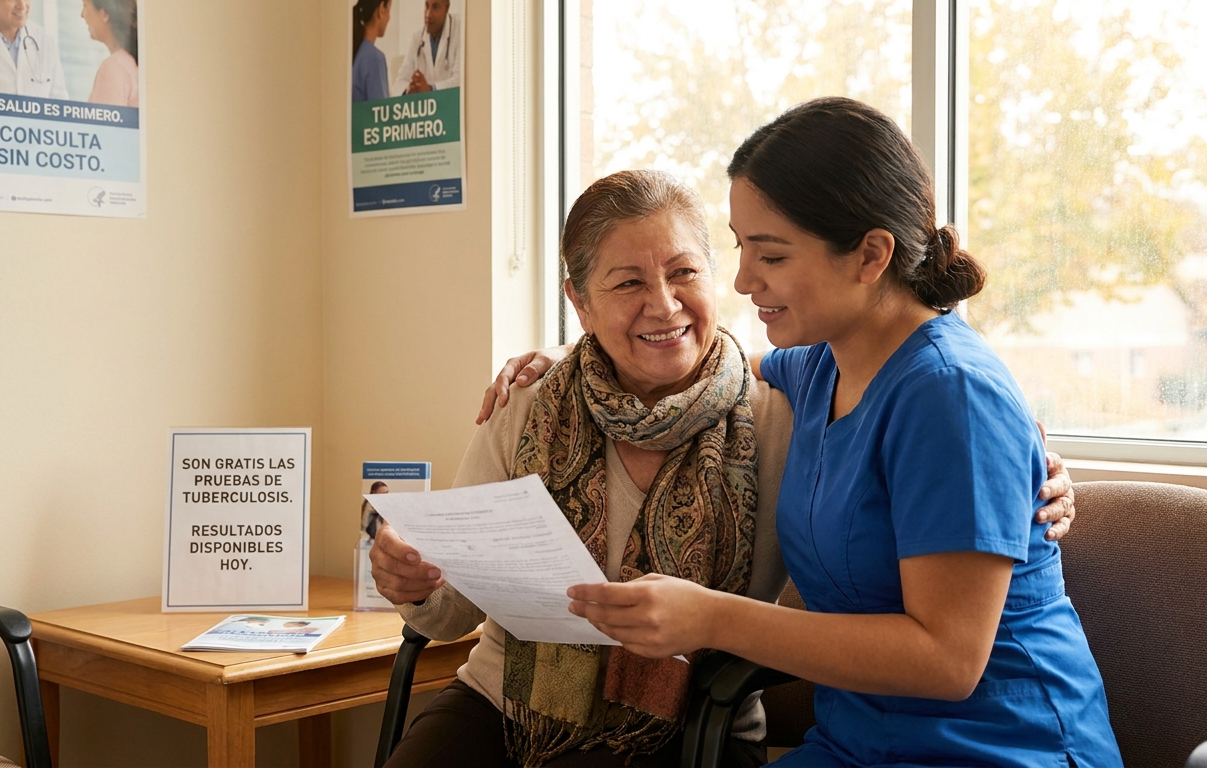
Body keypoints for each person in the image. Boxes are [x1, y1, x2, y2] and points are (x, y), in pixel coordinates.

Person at [561, 99, 1122, 767]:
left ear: (870, 255)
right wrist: (569, 363)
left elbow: (949, 662)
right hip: (859, 746)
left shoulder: (953, 394)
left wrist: (710, 618)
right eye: (741, 248)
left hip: (1001, 749)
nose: (743, 280)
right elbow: (712, 367)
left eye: (770, 254)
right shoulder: (820, 365)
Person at [372, 170, 792, 768]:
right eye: (628, 283)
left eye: (684, 272)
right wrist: (416, 583)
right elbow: (452, 614)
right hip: (509, 702)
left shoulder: (780, 414)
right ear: (580, 303)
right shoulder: (529, 401)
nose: (665, 303)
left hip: (697, 722)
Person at [390, 0, 461, 96]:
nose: (428, 14)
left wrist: (431, 89)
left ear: (446, 8)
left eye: (435, 7)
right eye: (427, 6)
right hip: (425, 107)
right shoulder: (417, 37)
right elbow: (400, 80)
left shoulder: (460, 29)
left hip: (452, 106)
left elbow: (460, 79)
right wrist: (409, 89)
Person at [80, 0, 138, 107]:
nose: (82, 15)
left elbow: (100, 123)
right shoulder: (131, 64)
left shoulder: (114, 67)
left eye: (85, 6)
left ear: (104, 14)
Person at [352, 0, 393, 102]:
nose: (389, 17)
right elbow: (382, 113)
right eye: (389, 9)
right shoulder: (374, 58)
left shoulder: (353, 51)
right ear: (381, 10)